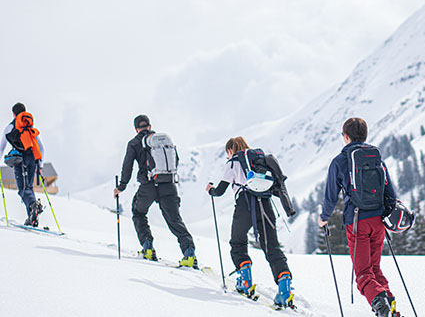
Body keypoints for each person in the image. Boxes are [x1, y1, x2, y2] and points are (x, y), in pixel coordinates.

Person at [317, 117, 399, 317]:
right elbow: (391, 193)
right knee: (374, 268)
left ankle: (381, 306)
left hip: (356, 222)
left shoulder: (339, 161)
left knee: (363, 273)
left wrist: (324, 218)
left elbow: (330, 196)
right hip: (378, 221)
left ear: (346, 137)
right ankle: (390, 304)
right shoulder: (376, 157)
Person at [205, 136, 293, 308]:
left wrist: (211, 190)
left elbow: (220, 190)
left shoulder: (233, 162)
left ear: (230, 150)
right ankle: (284, 289)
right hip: (265, 203)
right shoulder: (259, 161)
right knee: (272, 246)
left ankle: (245, 280)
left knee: (237, 241)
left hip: (244, 204)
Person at [114, 114, 197, 267]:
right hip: (168, 184)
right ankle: (189, 254)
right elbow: (176, 160)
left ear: (136, 129)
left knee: (138, 212)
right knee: (175, 220)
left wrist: (121, 186)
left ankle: (148, 248)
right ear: (150, 126)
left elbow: (128, 166)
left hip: (148, 186)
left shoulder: (134, 143)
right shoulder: (163, 141)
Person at [0, 103, 45, 226]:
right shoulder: (30, 128)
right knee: (28, 188)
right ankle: (32, 217)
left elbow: (1, 148)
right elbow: (41, 148)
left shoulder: (10, 127)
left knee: (23, 189)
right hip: (33, 160)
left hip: (20, 160)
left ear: (13, 114)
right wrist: (40, 166)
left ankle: (33, 207)